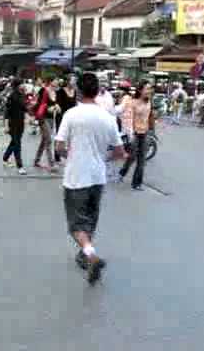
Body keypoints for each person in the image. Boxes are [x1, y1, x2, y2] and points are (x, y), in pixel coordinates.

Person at [55, 73, 126, 285]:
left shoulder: (71, 115)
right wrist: (103, 158)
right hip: (98, 176)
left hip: (77, 177)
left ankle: (91, 255)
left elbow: (59, 147)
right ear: (97, 91)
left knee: (76, 225)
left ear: (78, 91)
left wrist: (72, 155)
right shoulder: (107, 117)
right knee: (91, 218)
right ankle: (85, 254)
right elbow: (120, 152)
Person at [119, 81, 153, 191]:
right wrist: (130, 133)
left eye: (150, 89)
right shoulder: (133, 102)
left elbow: (150, 117)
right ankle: (123, 172)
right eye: (147, 89)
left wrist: (152, 130)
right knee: (132, 156)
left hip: (145, 133)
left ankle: (137, 183)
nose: (149, 91)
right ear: (140, 90)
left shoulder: (149, 102)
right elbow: (128, 119)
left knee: (142, 159)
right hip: (135, 133)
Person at [34, 78, 59, 172]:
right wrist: (48, 108)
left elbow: (55, 103)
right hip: (43, 118)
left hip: (51, 118)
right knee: (48, 140)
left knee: (44, 140)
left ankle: (36, 160)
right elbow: (39, 103)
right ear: (50, 81)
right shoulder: (44, 90)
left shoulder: (55, 92)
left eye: (57, 81)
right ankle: (51, 164)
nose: (57, 82)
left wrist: (56, 106)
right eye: (55, 80)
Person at [3, 78, 27, 175]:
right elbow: (6, 112)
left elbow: (23, 108)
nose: (24, 85)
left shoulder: (22, 95)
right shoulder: (12, 96)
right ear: (18, 85)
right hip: (12, 124)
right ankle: (20, 166)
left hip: (21, 123)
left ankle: (5, 158)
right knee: (17, 145)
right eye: (22, 83)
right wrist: (5, 126)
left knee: (14, 142)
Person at [55, 77, 77, 162]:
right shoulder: (60, 91)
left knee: (71, 136)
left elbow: (75, 104)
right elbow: (57, 103)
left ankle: (70, 154)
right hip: (62, 117)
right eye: (72, 81)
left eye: (74, 81)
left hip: (72, 117)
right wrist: (57, 107)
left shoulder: (74, 91)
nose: (74, 83)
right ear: (68, 82)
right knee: (60, 136)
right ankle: (57, 156)